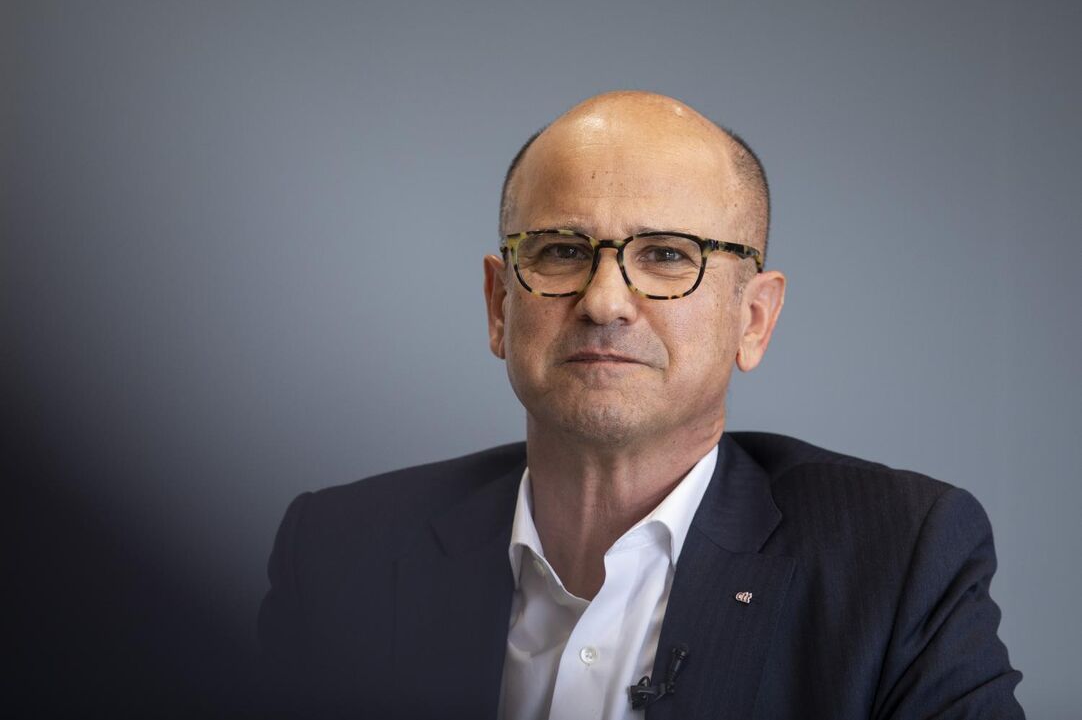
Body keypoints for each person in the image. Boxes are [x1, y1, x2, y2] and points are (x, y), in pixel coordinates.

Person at [258, 91, 1024, 719]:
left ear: (753, 319)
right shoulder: (340, 555)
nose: (604, 301)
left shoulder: (898, 563)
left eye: (666, 256)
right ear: (499, 304)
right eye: (562, 250)